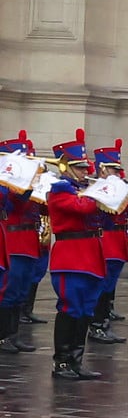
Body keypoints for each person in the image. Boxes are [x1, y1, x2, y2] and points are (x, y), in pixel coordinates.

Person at [42, 131, 107, 382]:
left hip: (91, 256)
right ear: (65, 166)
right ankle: (61, 362)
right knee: (70, 308)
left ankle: (76, 361)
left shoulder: (83, 189)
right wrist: (102, 191)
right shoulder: (60, 190)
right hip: (71, 257)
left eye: (84, 167)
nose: (84, 172)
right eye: (79, 168)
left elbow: (108, 213)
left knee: (85, 310)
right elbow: (81, 207)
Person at [88, 140, 128, 345]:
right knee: (102, 285)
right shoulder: (97, 189)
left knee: (109, 284)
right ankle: (97, 325)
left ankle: (103, 321)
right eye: (113, 169)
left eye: (118, 169)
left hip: (118, 240)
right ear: (101, 169)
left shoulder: (117, 187)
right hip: (106, 239)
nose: (118, 173)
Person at [0, 130, 43, 353]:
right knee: (9, 290)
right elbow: (16, 198)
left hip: (28, 242)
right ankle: (3, 336)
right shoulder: (7, 184)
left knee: (20, 291)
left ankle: (14, 335)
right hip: (14, 241)